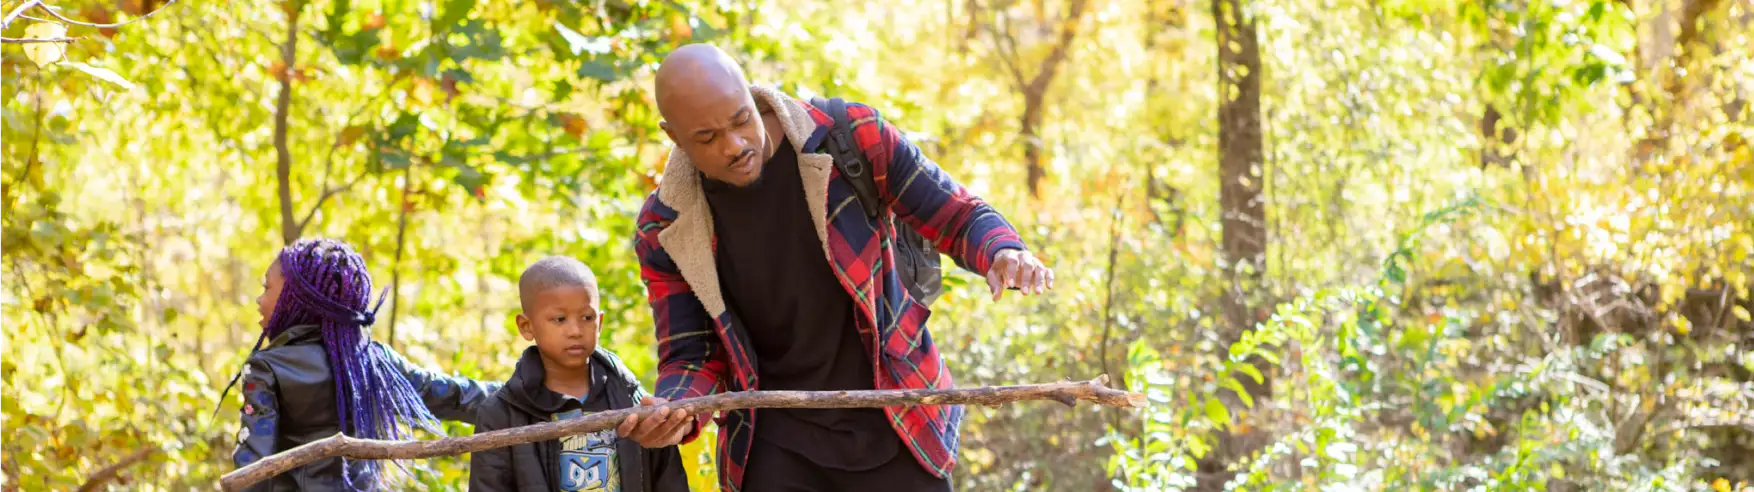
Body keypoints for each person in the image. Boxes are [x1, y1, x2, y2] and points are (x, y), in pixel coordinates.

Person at [620, 43, 1055, 491]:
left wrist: (1003, 251)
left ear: (752, 94)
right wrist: (672, 411)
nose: (735, 146)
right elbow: (692, 355)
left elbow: (956, 213)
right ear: (673, 137)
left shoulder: (849, 137)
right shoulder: (666, 226)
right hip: (774, 442)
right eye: (707, 138)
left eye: (740, 120)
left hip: (897, 413)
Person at [229, 237, 500, 491]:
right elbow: (456, 396)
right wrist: (529, 393)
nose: (258, 300)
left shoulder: (266, 367)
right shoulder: (375, 361)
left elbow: (253, 469)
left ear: (296, 298)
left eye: (266, 288)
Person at [469, 256, 690, 492]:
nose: (575, 331)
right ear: (526, 326)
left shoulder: (633, 402)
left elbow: (669, 481)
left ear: (600, 322)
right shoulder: (501, 415)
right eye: (559, 319)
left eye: (587, 318)